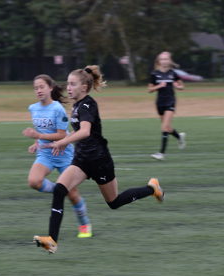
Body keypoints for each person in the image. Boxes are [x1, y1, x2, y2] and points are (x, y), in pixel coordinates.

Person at [33, 65, 164, 254]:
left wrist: (63, 142)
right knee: (60, 190)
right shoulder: (77, 105)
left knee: (114, 202)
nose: (68, 87)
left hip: (99, 160)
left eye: (72, 84)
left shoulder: (88, 105)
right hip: (82, 160)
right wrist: (56, 141)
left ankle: (152, 189)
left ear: (84, 87)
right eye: (68, 84)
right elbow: (78, 132)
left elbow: (85, 131)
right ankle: (52, 240)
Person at [22, 74, 92, 238]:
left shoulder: (57, 109)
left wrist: (38, 136)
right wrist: (36, 142)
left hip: (64, 154)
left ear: (50, 88)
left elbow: (61, 135)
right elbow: (43, 131)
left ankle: (84, 223)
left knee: (73, 194)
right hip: (46, 153)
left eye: (41, 87)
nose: (38, 90)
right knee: (34, 181)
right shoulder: (33, 108)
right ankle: (59, 190)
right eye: (36, 88)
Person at [148, 51, 186, 160]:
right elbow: (149, 89)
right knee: (167, 128)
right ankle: (179, 137)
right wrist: (159, 86)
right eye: (162, 59)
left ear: (169, 61)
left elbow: (182, 86)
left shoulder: (173, 73)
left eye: (166, 59)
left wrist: (177, 86)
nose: (164, 61)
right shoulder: (154, 74)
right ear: (159, 61)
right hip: (160, 103)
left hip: (170, 101)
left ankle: (161, 153)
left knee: (164, 127)